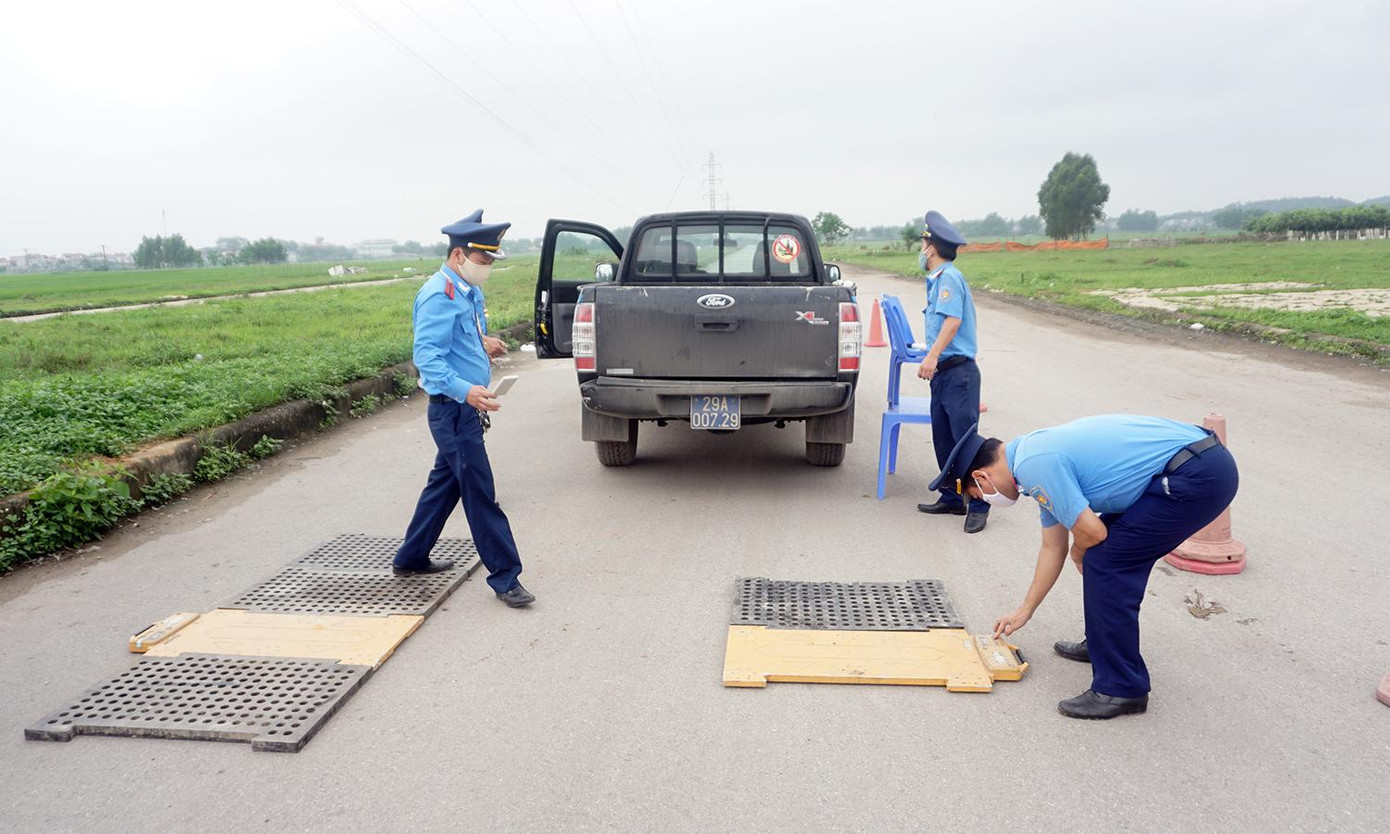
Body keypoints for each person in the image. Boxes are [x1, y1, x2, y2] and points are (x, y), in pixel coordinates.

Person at [929, 416, 1239, 719]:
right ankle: (1103, 644)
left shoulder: (1034, 466)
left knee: (1106, 559)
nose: (985, 500)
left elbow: (1093, 533)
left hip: (1198, 472)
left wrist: (1080, 550)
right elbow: (1053, 548)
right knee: (1105, 554)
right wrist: (1025, 610)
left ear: (982, 477)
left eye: (977, 495)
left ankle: (1122, 687)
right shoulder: (1029, 458)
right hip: (1195, 461)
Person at [392, 209, 535, 608]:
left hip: (462, 410)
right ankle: (506, 577)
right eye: (483, 260)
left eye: (491, 260)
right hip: (452, 410)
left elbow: (457, 336)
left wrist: (483, 342)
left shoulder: (466, 290)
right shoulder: (440, 295)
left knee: (445, 484)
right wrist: (466, 392)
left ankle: (410, 557)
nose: (487, 267)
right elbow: (428, 358)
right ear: (458, 256)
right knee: (480, 492)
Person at [913, 210, 988, 534]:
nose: (921, 250)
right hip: (945, 374)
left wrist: (931, 356)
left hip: (959, 374)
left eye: (923, 244)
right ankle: (952, 496)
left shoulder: (948, 278)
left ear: (931, 248)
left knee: (966, 442)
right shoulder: (937, 280)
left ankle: (981, 504)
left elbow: (952, 321)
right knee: (943, 440)